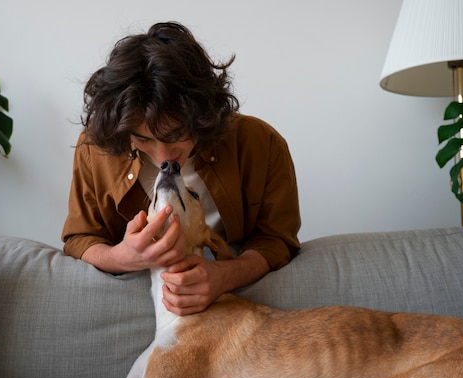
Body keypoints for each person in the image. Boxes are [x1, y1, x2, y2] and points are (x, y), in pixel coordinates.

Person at [62, 21, 300, 316]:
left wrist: (224, 276)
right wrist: (121, 256)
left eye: (175, 136)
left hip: (231, 303)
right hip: (140, 297)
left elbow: (277, 240)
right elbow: (79, 238)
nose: (164, 157)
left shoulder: (262, 144)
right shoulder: (95, 148)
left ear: (203, 116)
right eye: (143, 139)